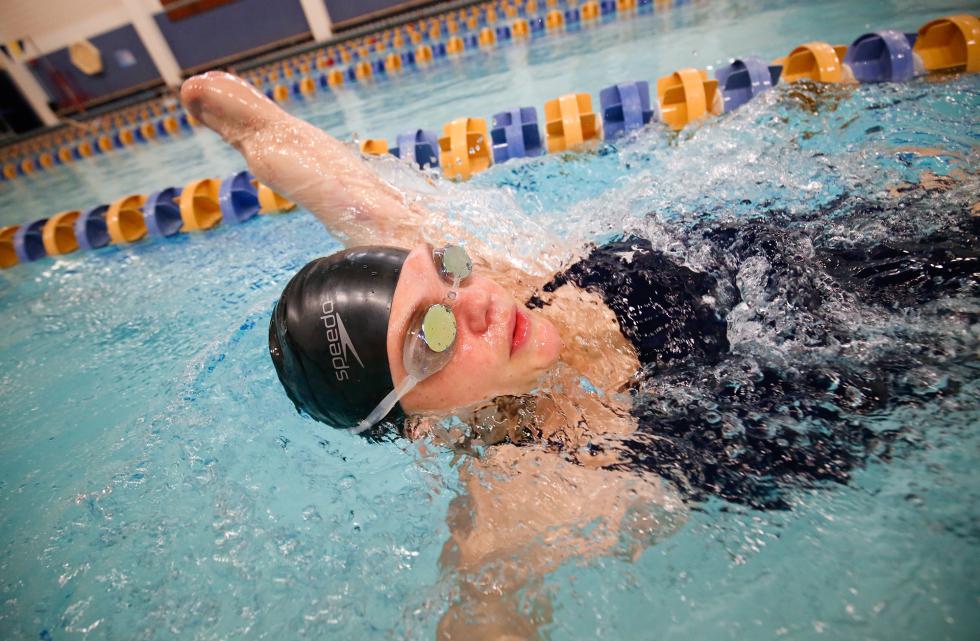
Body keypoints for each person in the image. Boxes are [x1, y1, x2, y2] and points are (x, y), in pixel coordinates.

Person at [181, 71, 978, 640]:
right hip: (876, 370)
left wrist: (243, 121)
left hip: (828, 250)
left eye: (448, 274)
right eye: (431, 333)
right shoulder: (532, 490)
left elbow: (356, 198)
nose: (480, 301)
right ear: (419, 427)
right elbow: (482, 606)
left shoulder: (497, 285)